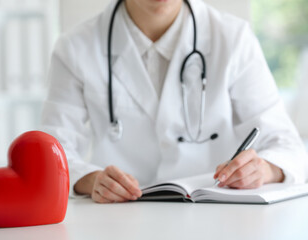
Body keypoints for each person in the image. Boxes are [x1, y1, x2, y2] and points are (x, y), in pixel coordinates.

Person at [41, 0, 308, 203]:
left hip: (216, 215)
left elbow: (287, 144)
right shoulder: (75, 47)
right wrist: (91, 180)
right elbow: (52, 153)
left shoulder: (233, 38)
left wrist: (265, 169)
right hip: (120, 219)